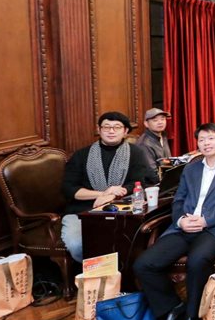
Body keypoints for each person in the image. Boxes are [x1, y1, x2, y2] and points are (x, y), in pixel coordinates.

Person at [134, 123, 215, 320]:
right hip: (184, 227)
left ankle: (192, 316)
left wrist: (206, 220)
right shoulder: (191, 168)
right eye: (201, 139)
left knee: (197, 261)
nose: (206, 143)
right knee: (143, 264)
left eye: (211, 138)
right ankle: (172, 308)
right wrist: (181, 220)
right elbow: (179, 199)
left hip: (214, 228)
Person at [61, 111, 158, 263]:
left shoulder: (135, 153)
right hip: (81, 212)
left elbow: (138, 182)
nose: (111, 131)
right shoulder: (81, 155)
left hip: (120, 212)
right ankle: (94, 274)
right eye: (106, 127)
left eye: (117, 127)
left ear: (125, 131)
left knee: (129, 244)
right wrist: (103, 193)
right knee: (77, 245)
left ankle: (118, 275)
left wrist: (113, 196)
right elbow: (69, 189)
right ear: (99, 130)